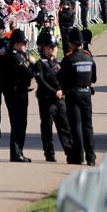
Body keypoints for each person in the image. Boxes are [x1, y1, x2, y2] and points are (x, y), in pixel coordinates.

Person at [33, 32, 73, 163]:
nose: (53, 49)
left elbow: (65, 78)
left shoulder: (58, 62)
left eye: (54, 46)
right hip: (46, 100)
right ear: (43, 48)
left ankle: (70, 152)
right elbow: (41, 82)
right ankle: (49, 153)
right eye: (50, 47)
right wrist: (54, 92)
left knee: (64, 126)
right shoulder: (40, 64)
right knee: (47, 127)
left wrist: (63, 90)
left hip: (60, 99)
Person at [60, 28, 97, 166]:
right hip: (87, 94)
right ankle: (91, 157)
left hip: (73, 94)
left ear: (71, 43)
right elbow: (94, 78)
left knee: (76, 126)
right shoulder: (89, 57)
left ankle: (78, 156)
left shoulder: (68, 59)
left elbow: (62, 79)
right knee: (88, 126)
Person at [2, 29, 34, 162]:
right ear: (16, 43)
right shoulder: (14, 56)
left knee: (21, 123)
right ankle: (16, 153)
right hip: (15, 93)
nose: (25, 45)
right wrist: (32, 63)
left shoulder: (19, 54)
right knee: (18, 123)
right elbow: (28, 73)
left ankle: (18, 151)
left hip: (19, 92)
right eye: (23, 43)